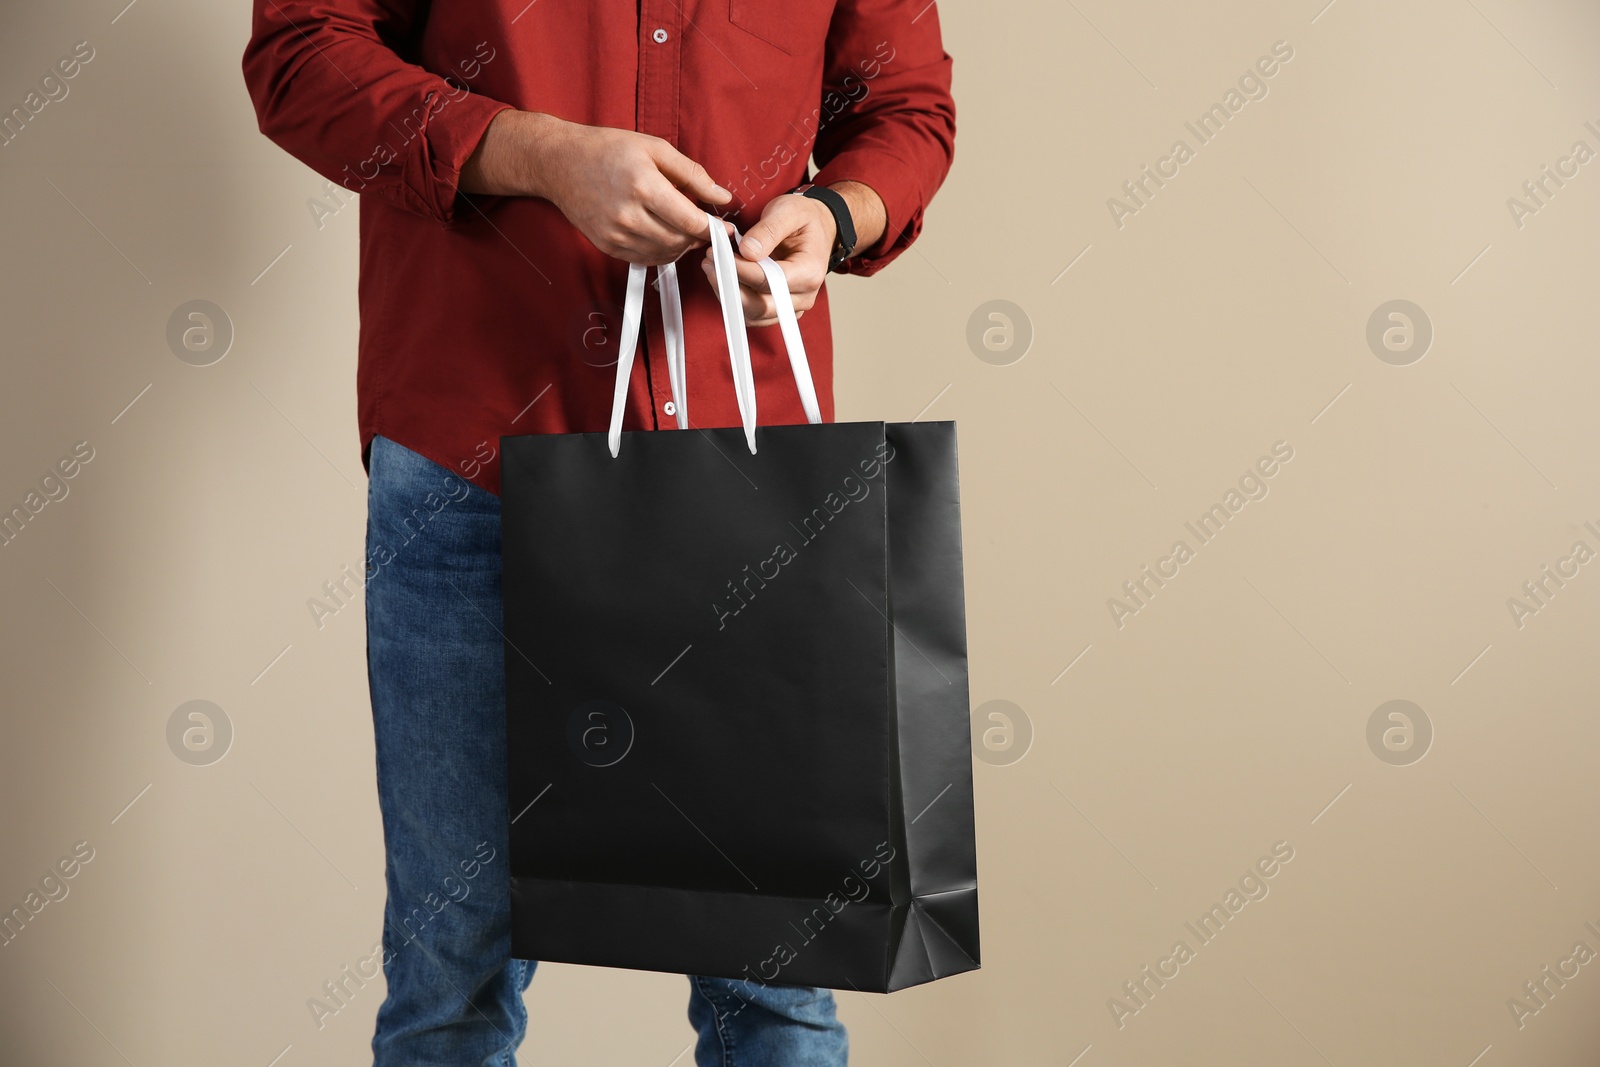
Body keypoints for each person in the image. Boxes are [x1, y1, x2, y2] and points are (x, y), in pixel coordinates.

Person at [242, 2, 954, 1063]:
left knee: (780, 981)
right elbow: (301, 56)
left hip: (743, 477)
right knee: (453, 977)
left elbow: (903, 108)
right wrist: (536, 154)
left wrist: (837, 215)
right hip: (470, 459)